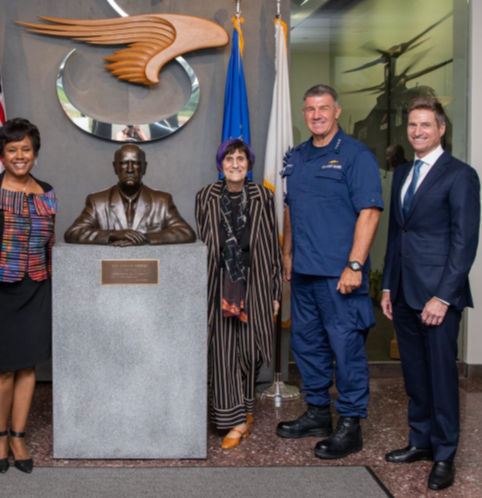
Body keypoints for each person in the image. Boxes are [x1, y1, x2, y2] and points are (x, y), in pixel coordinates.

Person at [276, 84, 384, 460]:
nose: (316, 114)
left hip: (340, 275)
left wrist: (355, 264)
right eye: (309, 109)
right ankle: (319, 412)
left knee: (346, 348)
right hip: (304, 272)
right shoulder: (299, 156)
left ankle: (351, 425)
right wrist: (287, 252)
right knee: (308, 346)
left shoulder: (356, 156)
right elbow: (291, 208)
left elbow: (369, 212)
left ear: (337, 111)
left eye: (323, 108)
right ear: (303, 113)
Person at [380, 94, 480, 491]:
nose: (417, 131)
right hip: (404, 291)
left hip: (438, 295)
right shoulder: (403, 174)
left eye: (426, 124)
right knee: (415, 376)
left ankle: (444, 454)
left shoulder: (460, 175)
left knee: (440, 377)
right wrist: (388, 284)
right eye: (412, 125)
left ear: (441, 129)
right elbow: (395, 235)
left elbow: (464, 243)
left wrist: (443, 296)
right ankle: (420, 441)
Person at [0, 118, 56, 475]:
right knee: (1, 369)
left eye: (26, 149)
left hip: (36, 290)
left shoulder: (46, 191)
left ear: (35, 153)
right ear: (2, 154)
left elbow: (49, 244)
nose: (20, 156)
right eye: (12, 149)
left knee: (28, 366)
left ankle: (19, 436)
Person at [195, 139, 282, 450]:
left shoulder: (263, 196)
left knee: (249, 352)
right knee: (223, 353)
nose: (235, 164)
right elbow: (202, 247)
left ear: (249, 163)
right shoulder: (205, 196)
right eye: (229, 159)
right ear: (221, 164)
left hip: (254, 284)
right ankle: (234, 420)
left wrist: (274, 290)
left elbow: (272, 245)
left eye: (241, 159)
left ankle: (246, 407)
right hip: (219, 285)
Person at [64, 143, 195, 246]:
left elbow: (185, 232)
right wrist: (113, 235)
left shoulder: (162, 201)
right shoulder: (97, 202)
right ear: (115, 168)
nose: (130, 169)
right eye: (124, 163)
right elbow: (73, 233)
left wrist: (144, 238)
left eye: (136, 163)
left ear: (145, 167)